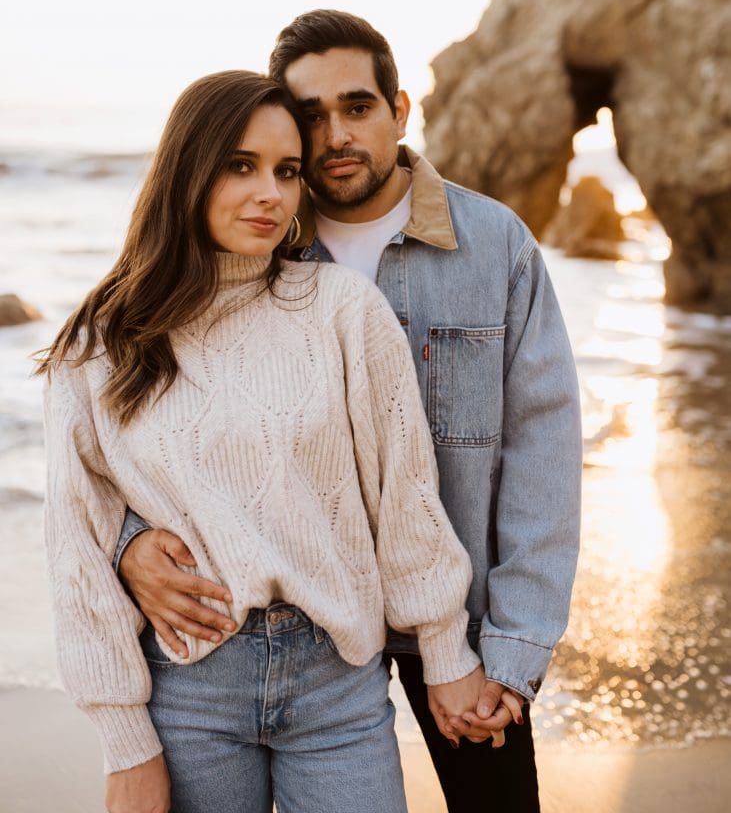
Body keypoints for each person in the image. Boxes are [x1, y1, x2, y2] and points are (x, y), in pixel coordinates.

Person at [115, 12, 583, 812]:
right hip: (308, 620)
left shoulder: (492, 244)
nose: (334, 134)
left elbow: (542, 448)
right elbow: (157, 431)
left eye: (357, 107)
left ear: (400, 111)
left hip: (460, 620)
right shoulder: (247, 246)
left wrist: (512, 646)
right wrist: (132, 546)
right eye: (311, 115)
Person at [39, 70, 509, 813]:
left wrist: (447, 651)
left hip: (337, 687)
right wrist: (124, 743)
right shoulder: (102, 345)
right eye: (240, 165)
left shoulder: (339, 310)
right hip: (189, 691)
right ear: (186, 170)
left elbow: (403, 496)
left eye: (287, 172)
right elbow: (78, 543)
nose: (270, 194)